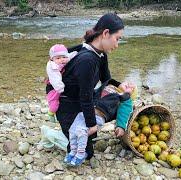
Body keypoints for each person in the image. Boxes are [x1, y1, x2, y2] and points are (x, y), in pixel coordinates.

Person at [46, 13, 127, 162]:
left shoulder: (100, 53)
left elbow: (106, 79)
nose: (117, 44)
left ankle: (72, 132)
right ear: (106, 33)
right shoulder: (87, 60)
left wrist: (119, 85)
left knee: (123, 98)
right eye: (117, 39)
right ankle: (57, 135)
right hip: (68, 105)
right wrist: (91, 124)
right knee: (87, 153)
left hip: (82, 100)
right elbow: (86, 96)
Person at [64, 81, 136, 166]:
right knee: (72, 130)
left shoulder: (123, 97)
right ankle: (73, 151)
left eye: (131, 87)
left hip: (98, 116)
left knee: (82, 132)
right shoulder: (108, 86)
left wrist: (121, 126)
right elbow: (95, 88)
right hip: (85, 112)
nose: (129, 84)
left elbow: (124, 112)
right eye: (127, 83)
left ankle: (81, 154)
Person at [45, 44, 77, 122]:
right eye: (58, 58)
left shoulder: (66, 58)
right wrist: (60, 88)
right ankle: (51, 113)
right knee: (54, 103)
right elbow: (55, 79)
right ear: (52, 59)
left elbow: (72, 55)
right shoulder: (52, 66)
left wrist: (78, 52)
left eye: (64, 57)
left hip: (59, 82)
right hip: (53, 87)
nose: (62, 59)